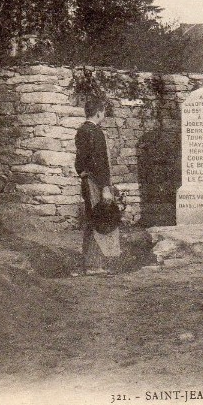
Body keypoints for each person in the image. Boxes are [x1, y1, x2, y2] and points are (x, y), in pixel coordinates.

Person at [74, 96, 121, 275]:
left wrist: (81, 172)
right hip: (97, 182)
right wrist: (105, 188)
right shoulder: (96, 132)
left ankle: (90, 262)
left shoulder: (81, 130)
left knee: (93, 217)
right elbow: (99, 162)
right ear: (99, 112)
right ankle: (95, 265)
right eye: (103, 112)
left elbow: (80, 160)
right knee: (101, 219)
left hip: (88, 180)